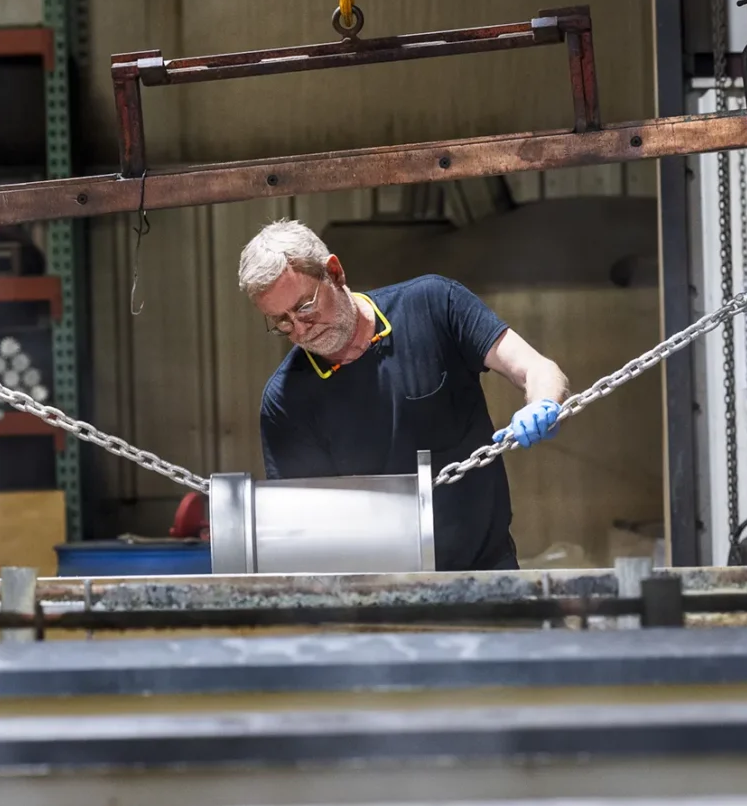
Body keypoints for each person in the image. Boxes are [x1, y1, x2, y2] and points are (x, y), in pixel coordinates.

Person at [239, 218, 568, 571]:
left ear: (334, 272)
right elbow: (307, 533)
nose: (300, 330)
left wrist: (543, 401)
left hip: (488, 568)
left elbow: (536, 369)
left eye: (305, 307)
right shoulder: (286, 401)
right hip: (375, 598)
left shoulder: (434, 305)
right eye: (282, 322)